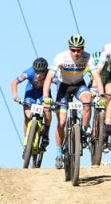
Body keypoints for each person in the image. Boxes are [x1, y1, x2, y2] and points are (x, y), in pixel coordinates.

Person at [43, 34, 100, 169]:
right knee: (61, 122)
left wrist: (101, 96)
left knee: (87, 102)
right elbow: (49, 78)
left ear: (83, 49)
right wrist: (46, 97)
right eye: (73, 50)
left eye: (79, 50)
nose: (76, 53)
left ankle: (84, 132)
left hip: (79, 85)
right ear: (69, 49)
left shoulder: (88, 57)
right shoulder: (60, 57)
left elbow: (96, 76)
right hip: (64, 87)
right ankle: (58, 154)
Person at [12, 57, 54, 149]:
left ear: (45, 71)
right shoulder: (29, 72)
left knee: (47, 111)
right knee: (27, 116)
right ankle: (27, 140)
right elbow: (14, 82)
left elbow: (59, 83)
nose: (38, 75)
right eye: (36, 72)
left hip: (44, 94)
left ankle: (46, 134)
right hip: (31, 92)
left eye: (41, 73)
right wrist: (15, 96)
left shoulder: (50, 73)